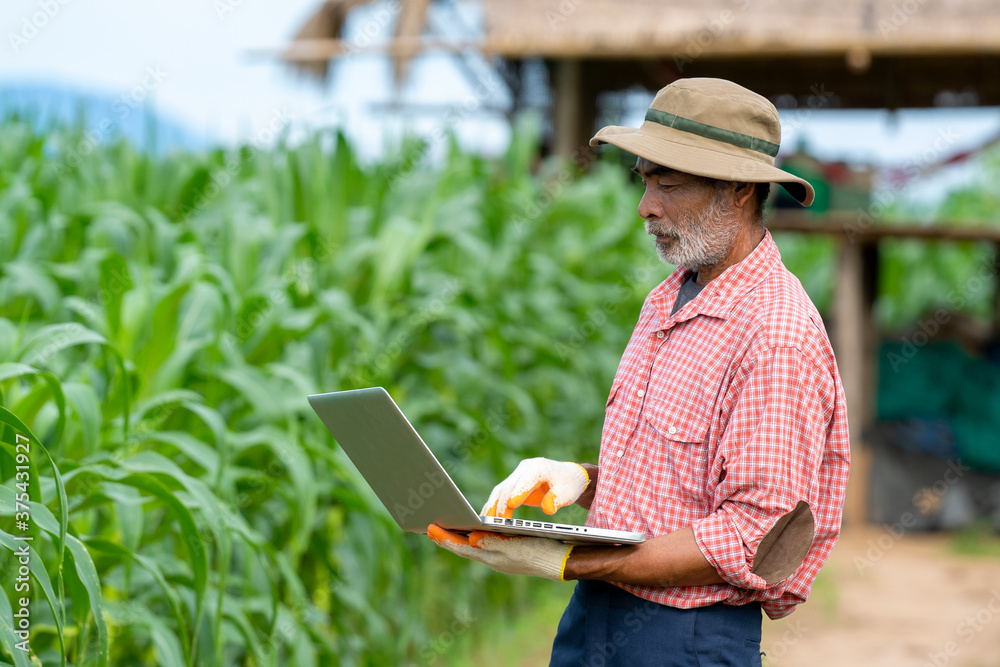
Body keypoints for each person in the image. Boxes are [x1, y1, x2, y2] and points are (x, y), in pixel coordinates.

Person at [428, 78, 851, 666]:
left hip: (686, 636)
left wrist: (569, 559)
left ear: (736, 190)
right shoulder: (668, 300)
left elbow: (753, 534)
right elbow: (676, 488)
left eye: (668, 184)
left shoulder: (774, 336)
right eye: (646, 179)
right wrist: (579, 479)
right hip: (595, 613)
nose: (645, 205)